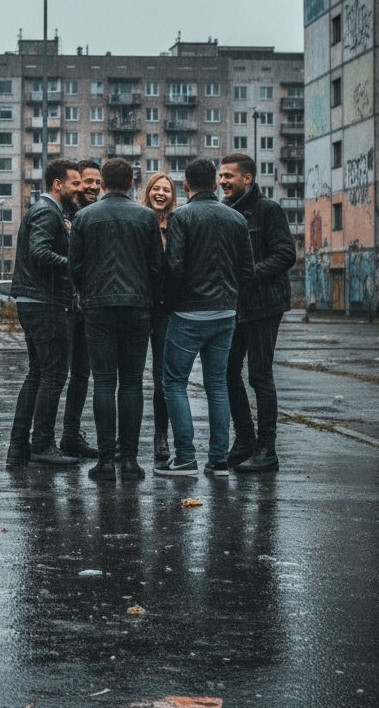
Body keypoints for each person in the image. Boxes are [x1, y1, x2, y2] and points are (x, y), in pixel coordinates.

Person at [156, 159, 255, 478]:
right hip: (225, 312)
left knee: (174, 382)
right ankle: (218, 460)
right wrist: (231, 300)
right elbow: (247, 270)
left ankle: (185, 458)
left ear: (186, 186)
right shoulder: (236, 218)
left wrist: (168, 304)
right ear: (214, 184)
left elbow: (174, 266)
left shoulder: (182, 216)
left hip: (188, 312)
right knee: (217, 385)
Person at [69, 157, 163, 480]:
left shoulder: (83, 217)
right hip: (138, 307)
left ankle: (106, 461)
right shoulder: (147, 217)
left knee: (104, 382)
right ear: (132, 183)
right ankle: (131, 461)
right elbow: (156, 267)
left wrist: (87, 292)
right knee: (133, 382)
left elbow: (75, 267)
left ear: (104, 183)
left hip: (98, 307)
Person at [219, 152, 297, 472]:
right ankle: (245, 440)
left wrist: (251, 273)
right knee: (227, 372)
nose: (222, 181)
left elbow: (286, 254)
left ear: (247, 179)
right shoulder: (226, 212)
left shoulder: (268, 210)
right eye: (220, 176)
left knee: (259, 376)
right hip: (236, 306)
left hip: (265, 305)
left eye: (228, 176)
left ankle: (267, 450)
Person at [6, 158, 81, 467]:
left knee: (38, 373)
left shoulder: (46, 211)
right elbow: (39, 253)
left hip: (34, 299)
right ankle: (42, 445)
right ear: (57, 184)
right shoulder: (47, 212)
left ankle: (20, 447)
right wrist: (75, 265)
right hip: (44, 302)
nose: (79, 189)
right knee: (53, 374)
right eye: (75, 183)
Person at [56, 159, 102, 460]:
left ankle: (71, 435)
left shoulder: (96, 215)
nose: (93, 187)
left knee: (82, 374)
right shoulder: (61, 215)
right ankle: (42, 438)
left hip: (88, 308)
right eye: (88, 182)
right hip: (62, 307)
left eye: (98, 183)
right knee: (54, 374)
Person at [140, 172, 177, 464]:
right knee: (129, 377)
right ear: (148, 192)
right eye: (156, 188)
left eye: (166, 189)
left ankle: (160, 437)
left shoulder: (178, 224)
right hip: (139, 306)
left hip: (167, 309)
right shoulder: (139, 221)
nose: (161, 193)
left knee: (162, 380)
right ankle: (122, 440)